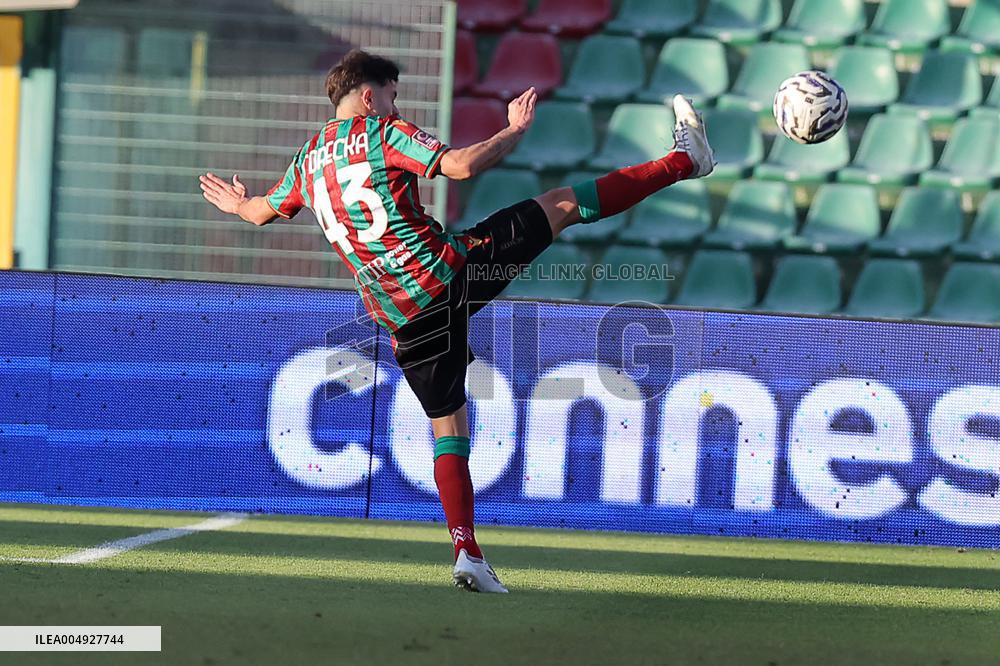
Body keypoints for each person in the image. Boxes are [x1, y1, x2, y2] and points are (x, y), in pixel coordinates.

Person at [199, 49, 715, 594]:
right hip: (448, 274)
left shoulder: (307, 161)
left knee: (449, 428)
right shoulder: (379, 131)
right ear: (370, 96)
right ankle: (686, 161)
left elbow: (260, 212)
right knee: (561, 205)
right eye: (393, 96)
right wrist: (513, 131)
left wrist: (239, 205)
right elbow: (463, 166)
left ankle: (466, 551)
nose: (397, 107)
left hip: (400, 316)